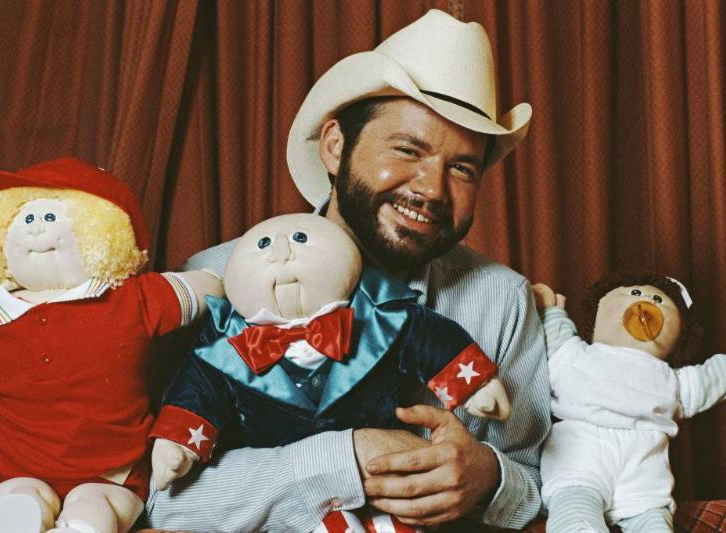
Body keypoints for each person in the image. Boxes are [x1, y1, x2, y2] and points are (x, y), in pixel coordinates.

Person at [147, 9, 550, 531]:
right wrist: (343, 460)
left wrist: (488, 478)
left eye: (462, 168)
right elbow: (163, 499)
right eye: (409, 149)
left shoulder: (502, 299)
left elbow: (545, 484)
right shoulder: (212, 282)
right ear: (336, 147)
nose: (432, 188)